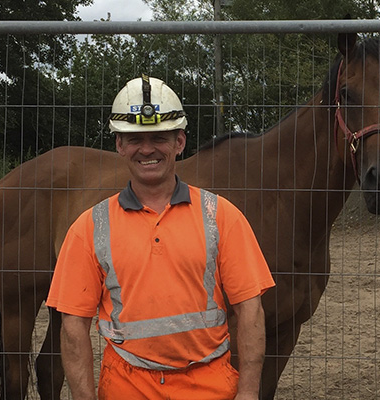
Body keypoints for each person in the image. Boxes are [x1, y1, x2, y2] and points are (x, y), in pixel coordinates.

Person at [46, 74, 275, 400]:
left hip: (209, 385)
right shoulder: (89, 227)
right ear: (120, 145)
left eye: (159, 138)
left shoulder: (222, 216)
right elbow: (72, 327)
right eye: (135, 139)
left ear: (179, 142)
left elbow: (251, 311)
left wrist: (249, 392)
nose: (147, 149)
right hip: (126, 386)